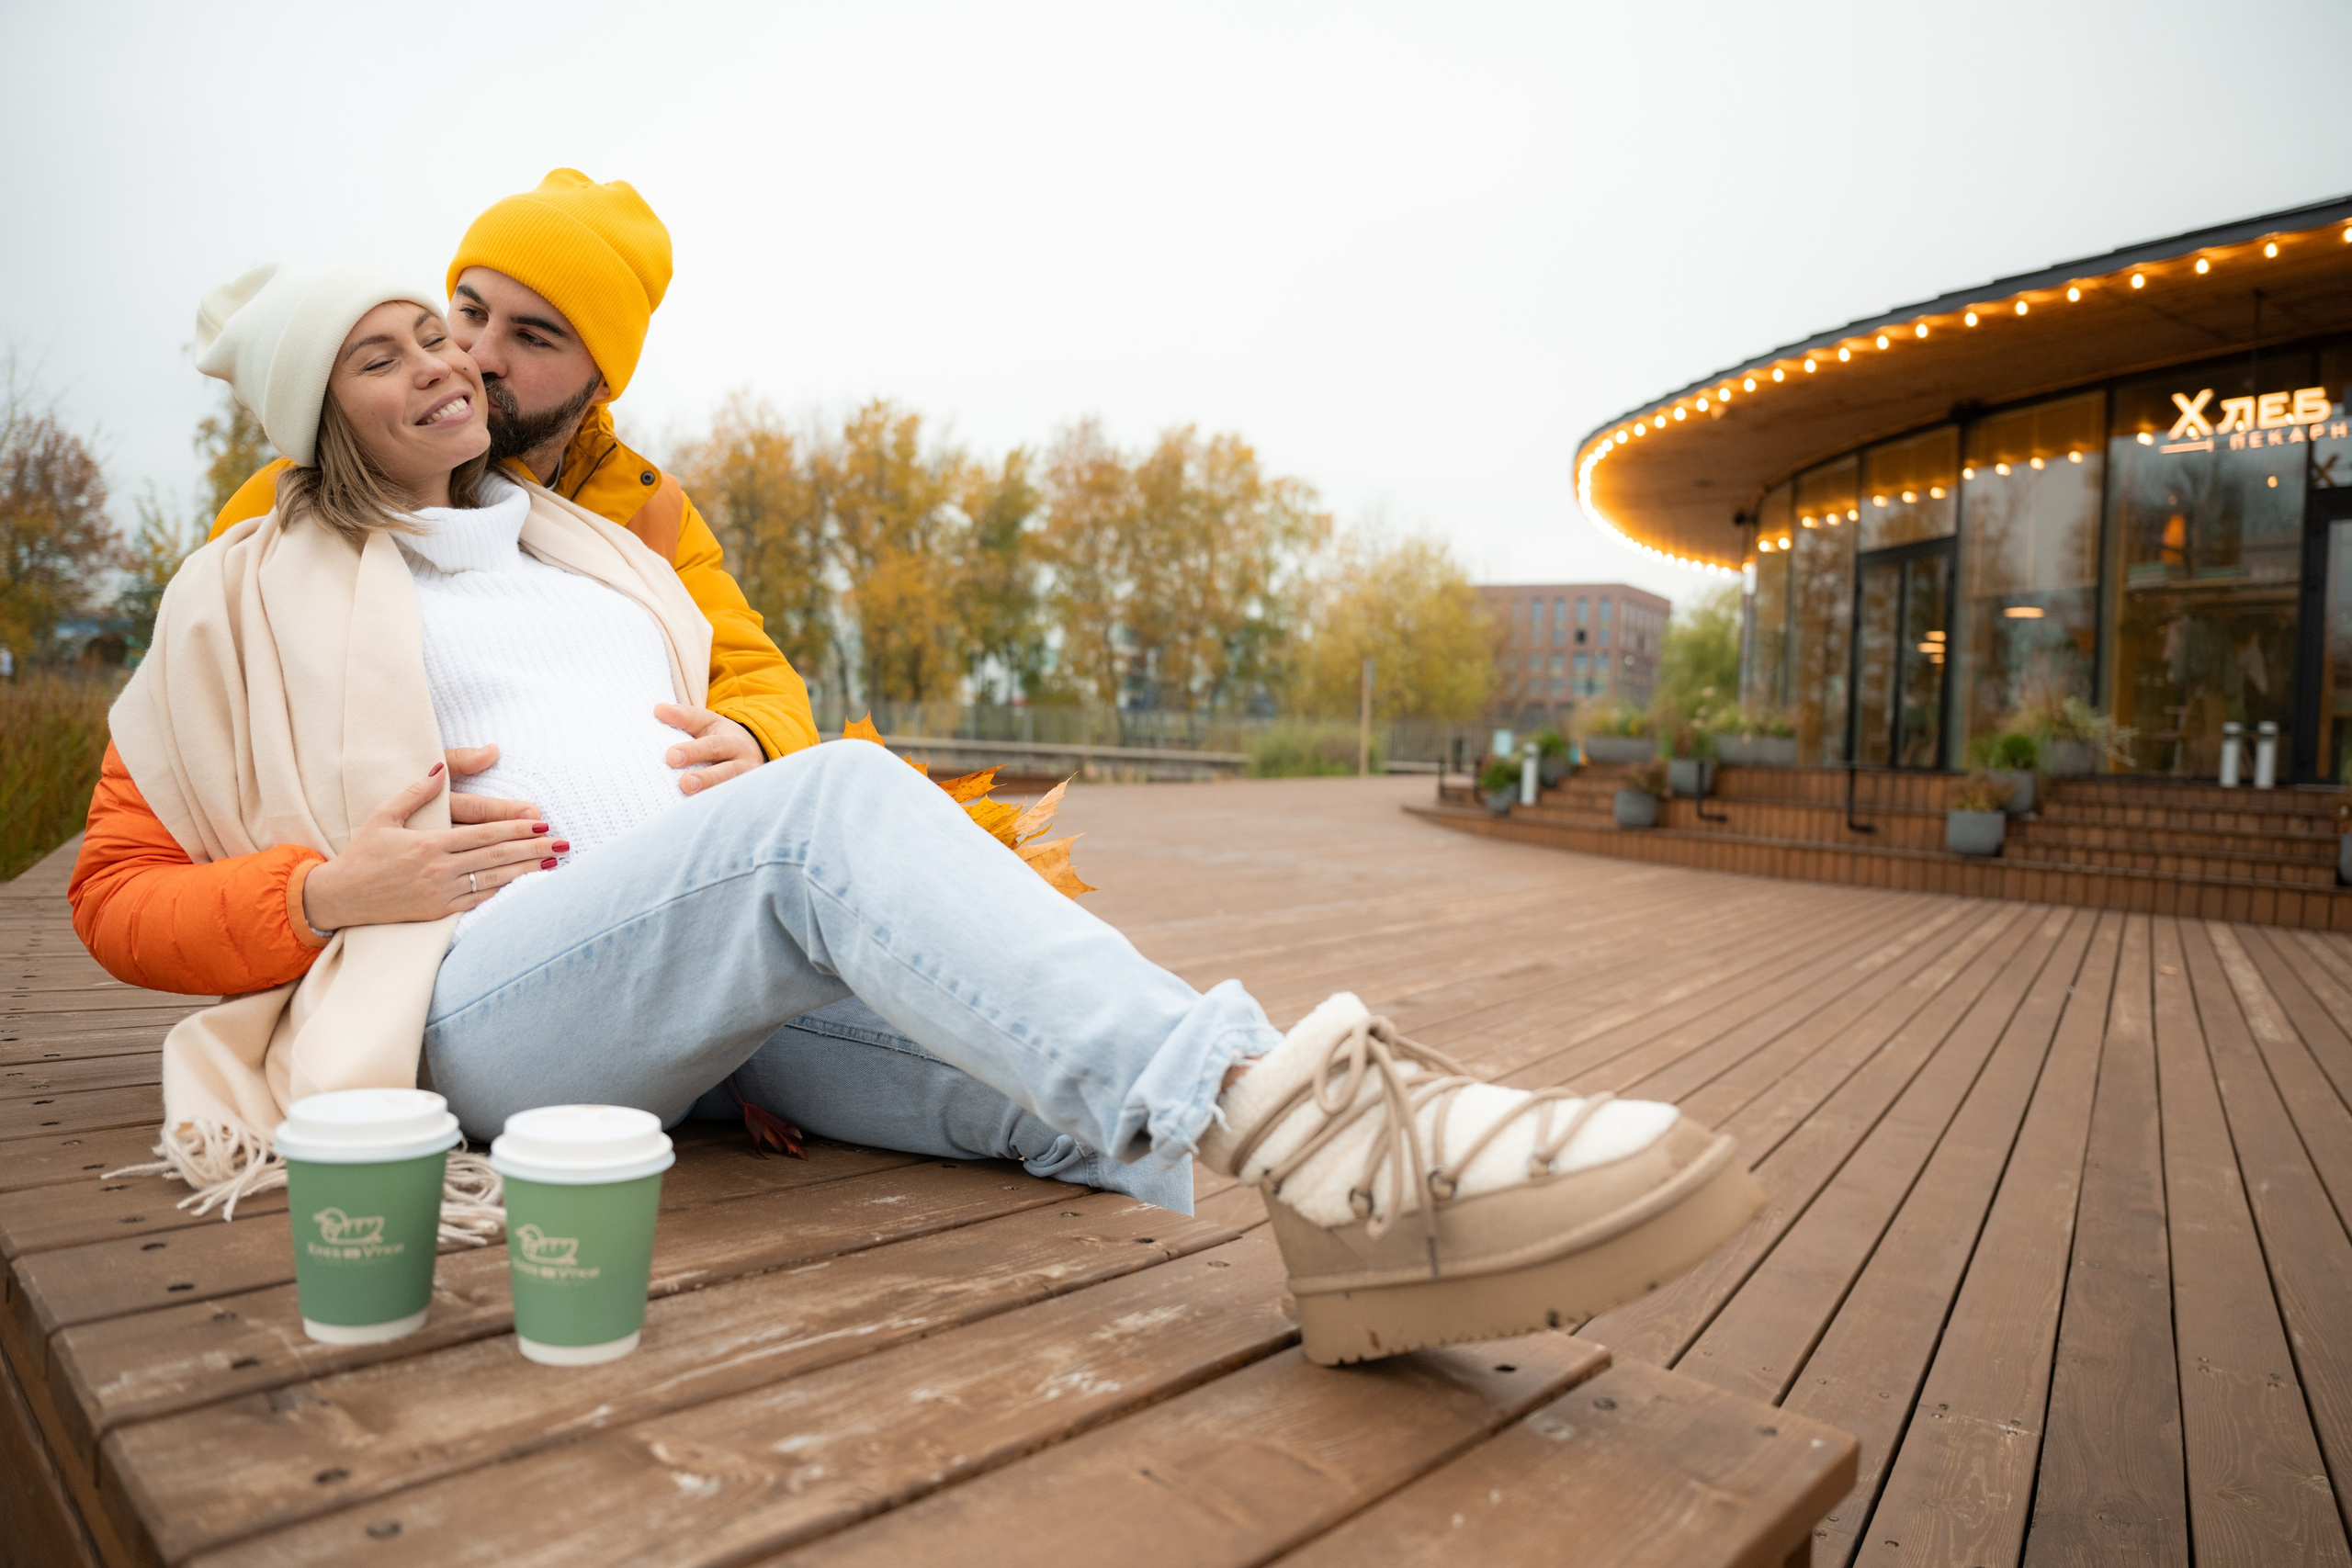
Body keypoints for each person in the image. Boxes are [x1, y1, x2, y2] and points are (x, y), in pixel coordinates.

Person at [72, 265, 1762, 1366]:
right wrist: (327, 885)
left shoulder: (586, 547)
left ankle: (1368, 1228)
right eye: (384, 355)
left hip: (702, 1004)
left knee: (1047, 1092)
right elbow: (115, 892)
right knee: (830, 818)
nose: (441, 363)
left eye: (440, 333)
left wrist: (741, 745)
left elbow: (735, 709)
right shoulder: (243, 590)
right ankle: (1350, 1138)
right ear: (315, 413)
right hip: (472, 1011)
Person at [191, 171, 1114, 1196]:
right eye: (468, 312)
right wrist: (319, 894)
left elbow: (754, 670)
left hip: (696, 949)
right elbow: (172, 809)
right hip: (486, 982)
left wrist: (757, 738)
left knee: (1081, 1103)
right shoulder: (279, 537)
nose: (478, 357)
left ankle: (1279, 1160)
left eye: (534, 338)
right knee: (835, 796)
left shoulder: (638, 516)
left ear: (598, 377)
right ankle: (1237, 1074)